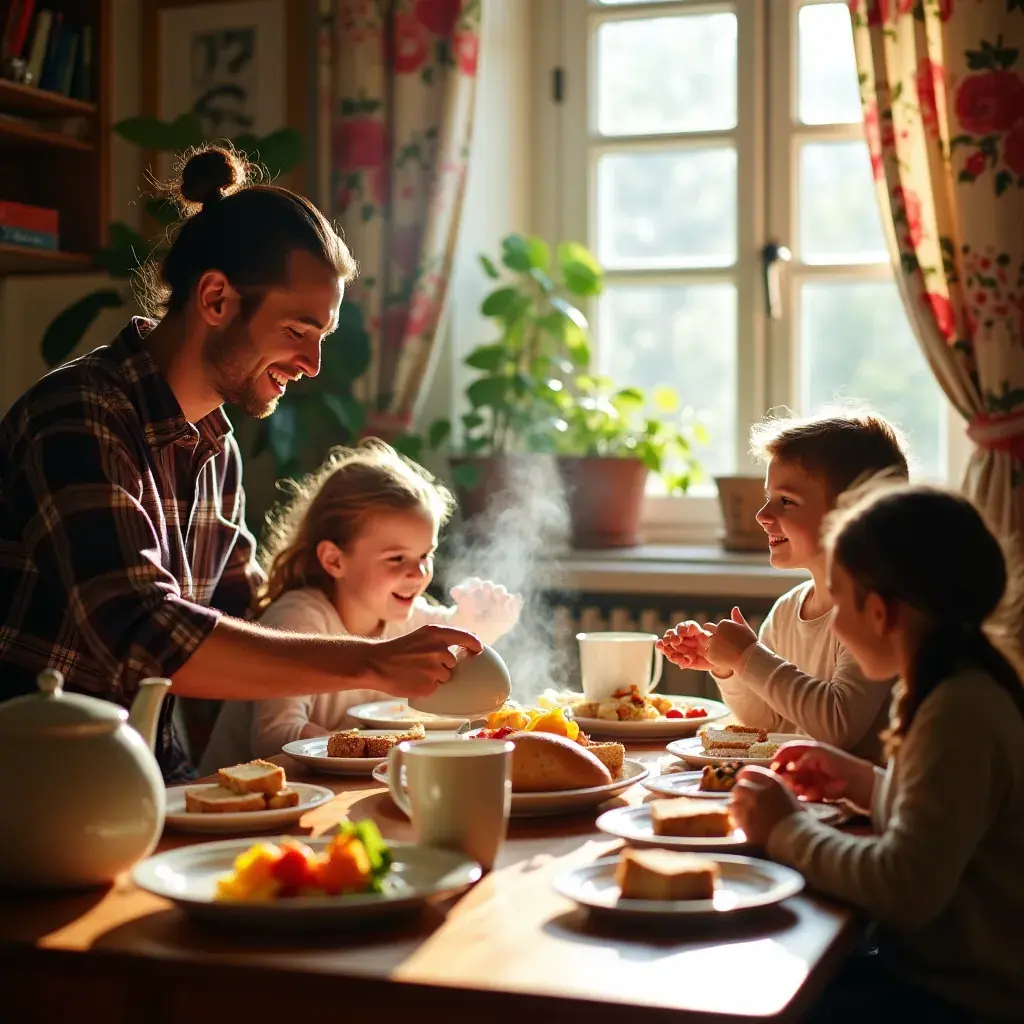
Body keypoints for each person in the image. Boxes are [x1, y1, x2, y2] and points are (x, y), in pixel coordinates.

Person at [0, 145, 479, 782]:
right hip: (40, 786)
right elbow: (147, 634)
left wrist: (402, 617)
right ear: (217, 298)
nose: (312, 365)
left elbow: (249, 621)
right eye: (296, 331)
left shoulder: (213, 444)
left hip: (150, 777)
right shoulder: (79, 416)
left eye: (321, 338)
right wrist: (373, 661)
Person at [730, 483, 1024, 1023]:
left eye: (840, 601)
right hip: (937, 977)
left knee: (752, 992)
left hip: (963, 999)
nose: (834, 622)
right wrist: (868, 785)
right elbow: (949, 818)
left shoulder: (959, 713)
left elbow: (903, 887)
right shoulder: (957, 686)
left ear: (883, 612)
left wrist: (784, 828)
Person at [199, 440, 522, 769]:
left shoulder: (408, 617)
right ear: (334, 560)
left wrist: (479, 628)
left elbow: (455, 662)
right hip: (238, 799)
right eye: (396, 558)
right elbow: (274, 735)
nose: (419, 572)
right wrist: (369, 750)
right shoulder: (299, 618)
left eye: (426, 555)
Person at [658, 411, 909, 762]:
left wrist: (749, 657)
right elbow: (769, 720)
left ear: (853, 512)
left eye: (786, 500)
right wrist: (728, 667)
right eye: (768, 497)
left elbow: (837, 725)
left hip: (861, 809)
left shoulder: (873, 611)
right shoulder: (789, 608)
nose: (762, 514)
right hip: (808, 794)